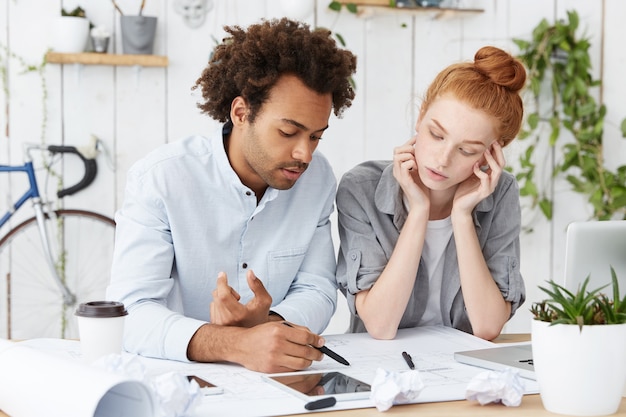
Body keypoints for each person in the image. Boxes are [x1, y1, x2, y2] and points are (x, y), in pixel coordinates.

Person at [106, 17, 357, 373]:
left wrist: (269, 323)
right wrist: (235, 344)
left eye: (316, 136)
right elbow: (129, 311)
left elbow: (317, 288)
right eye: (289, 132)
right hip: (176, 382)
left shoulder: (317, 179)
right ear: (241, 113)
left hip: (277, 381)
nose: (305, 154)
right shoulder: (162, 179)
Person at [336, 46, 526, 341]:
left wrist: (462, 216)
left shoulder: (500, 194)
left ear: (491, 154)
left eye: (467, 150)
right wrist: (418, 211)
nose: (443, 159)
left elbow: (487, 327)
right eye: (436, 135)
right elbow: (380, 325)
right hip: (382, 373)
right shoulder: (361, 188)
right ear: (420, 117)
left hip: (460, 371)